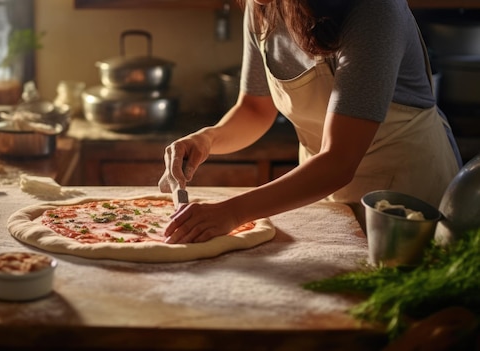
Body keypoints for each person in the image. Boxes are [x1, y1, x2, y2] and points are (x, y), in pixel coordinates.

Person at [158, 0, 462, 244]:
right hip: (322, 191)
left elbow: (339, 160)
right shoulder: (262, 6)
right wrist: (207, 139)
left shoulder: (376, 9)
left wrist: (232, 212)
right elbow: (255, 109)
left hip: (405, 200)